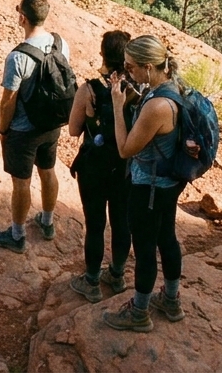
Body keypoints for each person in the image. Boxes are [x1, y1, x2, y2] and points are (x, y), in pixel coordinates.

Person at [102, 35, 186, 332]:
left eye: (131, 67)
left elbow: (126, 148)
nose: (127, 72)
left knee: (146, 247)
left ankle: (139, 312)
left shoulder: (158, 105)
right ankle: (172, 300)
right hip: (168, 183)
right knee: (168, 238)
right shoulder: (174, 88)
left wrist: (116, 104)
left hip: (148, 187)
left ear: (149, 67)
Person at [0, 0, 69, 254]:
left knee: (21, 182)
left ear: (22, 18)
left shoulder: (18, 57)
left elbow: (8, 101)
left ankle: (17, 235)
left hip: (24, 130)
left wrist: (3, 130)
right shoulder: (61, 43)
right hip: (52, 125)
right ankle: (47, 222)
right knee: (48, 171)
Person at [65, 30, 133, 304]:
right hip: (124, 165)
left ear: (103, 53)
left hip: (93, 165)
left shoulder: (90, 89)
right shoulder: (135, 90)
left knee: (95, 224)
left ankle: (91, 280)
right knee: (121, 222)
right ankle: (116, 275)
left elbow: (72, 130)